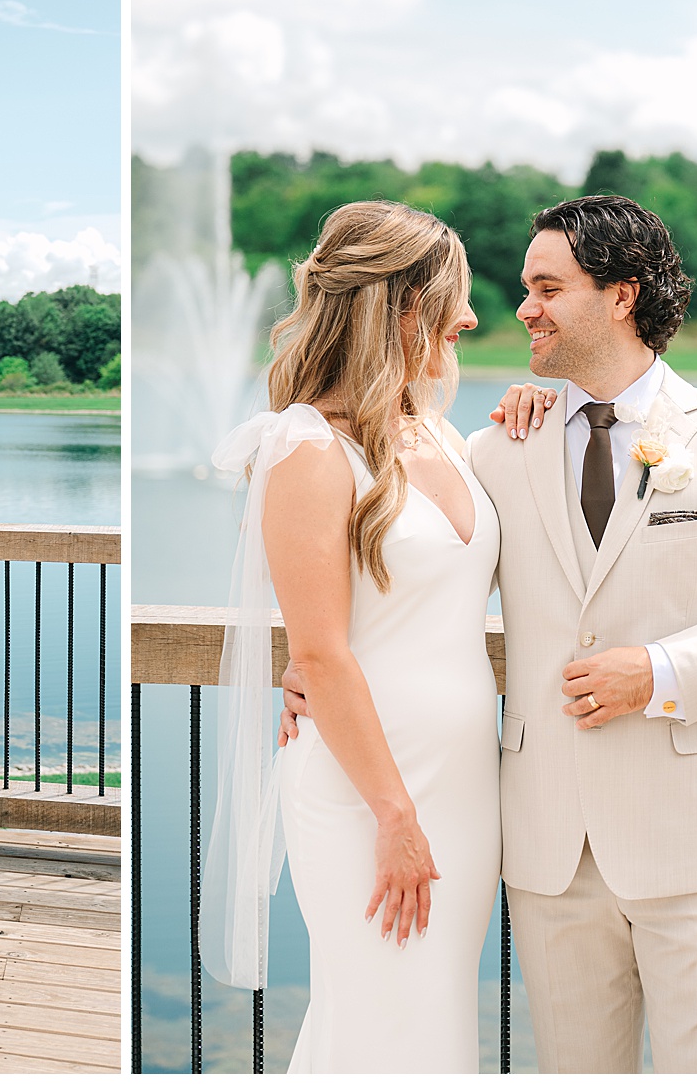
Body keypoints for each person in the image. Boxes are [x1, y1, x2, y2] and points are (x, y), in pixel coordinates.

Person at [285, 194, 697, 1073]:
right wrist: (312, 669)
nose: (520, 308)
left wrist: (655, 671)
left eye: (546, 286)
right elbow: (403, 575)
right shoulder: (492, 451)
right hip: (547, 851)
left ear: (621, 294)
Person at [204, 200, 501, 1072]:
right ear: (401, 307)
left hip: (465, 785)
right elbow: (324, 654)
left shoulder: (442, 431)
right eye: (454, 299)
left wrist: (531, 404)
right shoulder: (306, 450)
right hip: (368, 792)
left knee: (436, 1017)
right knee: (380, 1021)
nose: (472, 319)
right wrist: (394, 813)